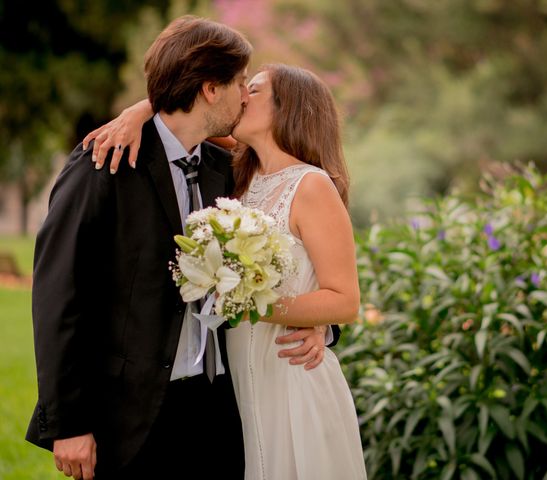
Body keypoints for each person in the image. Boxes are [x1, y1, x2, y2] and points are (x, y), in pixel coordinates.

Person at [26, 16, 330, 480]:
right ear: (211, 88)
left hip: (220, 408)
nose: (245, 94)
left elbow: (294, 245)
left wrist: (318, 322)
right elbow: (58, 297)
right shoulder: (102, 163)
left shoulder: (226, 169)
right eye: (240, 82)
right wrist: (68, 423)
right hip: (128, 416)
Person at [84, 64, 367, 478]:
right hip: (240, 387)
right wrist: (139, 111)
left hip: (291, 378)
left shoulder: (312, 186)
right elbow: (185, 116)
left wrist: (250, 305)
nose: (241, 96)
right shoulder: (237, 175)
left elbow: (345, 300)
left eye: (253, 89)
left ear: (287, 108)